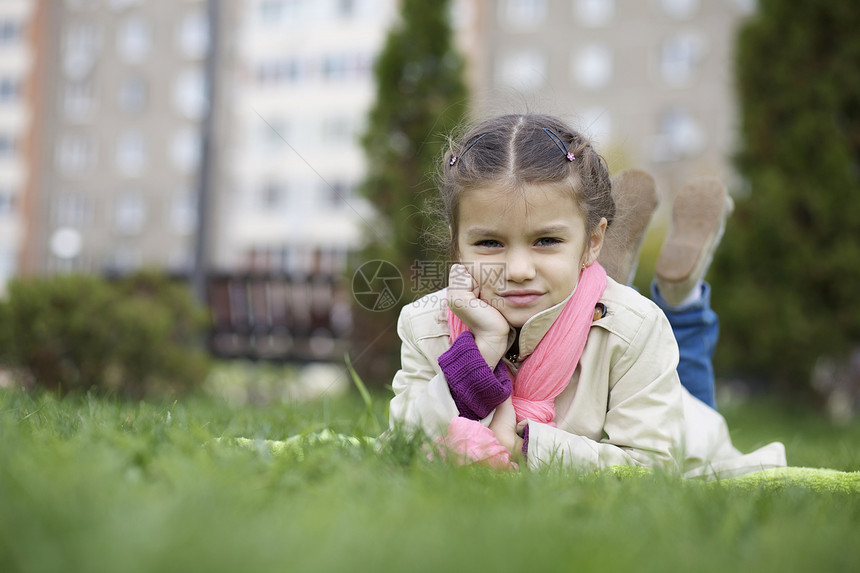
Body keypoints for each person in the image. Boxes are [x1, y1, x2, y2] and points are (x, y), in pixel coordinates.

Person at [387, 113, 785, 477]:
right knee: (609, 313)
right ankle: (609, 274)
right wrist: (480, 352)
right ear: (457, 247)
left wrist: (525, 449)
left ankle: (681, 297)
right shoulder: (427, 324)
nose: (519, 271)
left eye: (546, 240)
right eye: (490, 243)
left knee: (677, 373)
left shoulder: (637, 327)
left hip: (690, 433)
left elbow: (651, 468)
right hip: (607, 333)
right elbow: (404, 444)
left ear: (594, 241)